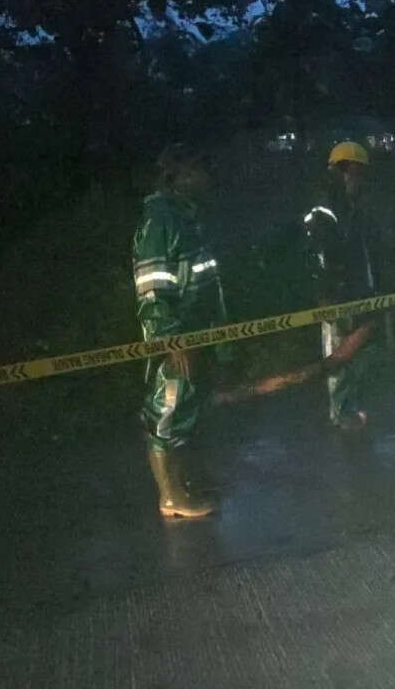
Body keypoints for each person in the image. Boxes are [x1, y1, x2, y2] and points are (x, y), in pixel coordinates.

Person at [132, 143, 229, 518]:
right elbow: (152, 287)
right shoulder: (161, 221)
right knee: (167, 412)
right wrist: (171, 339)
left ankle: (183, 485)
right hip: (179, 338)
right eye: (197, 171)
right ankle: (170, 496)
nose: (206, 178)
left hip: (198, 333)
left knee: (187, 409)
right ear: (178, 177)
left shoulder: (185, 217)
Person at [302, 141, 377, 432]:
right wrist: (327, 296)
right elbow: (319, 256)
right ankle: (342, 413)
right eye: (356, 173)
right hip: (337, 296)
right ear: (344, 171)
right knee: (338, 357)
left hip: (357, 293)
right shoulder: (325, 209)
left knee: (353, 356)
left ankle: (351, 408)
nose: (360, 180)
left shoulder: (351, 207)